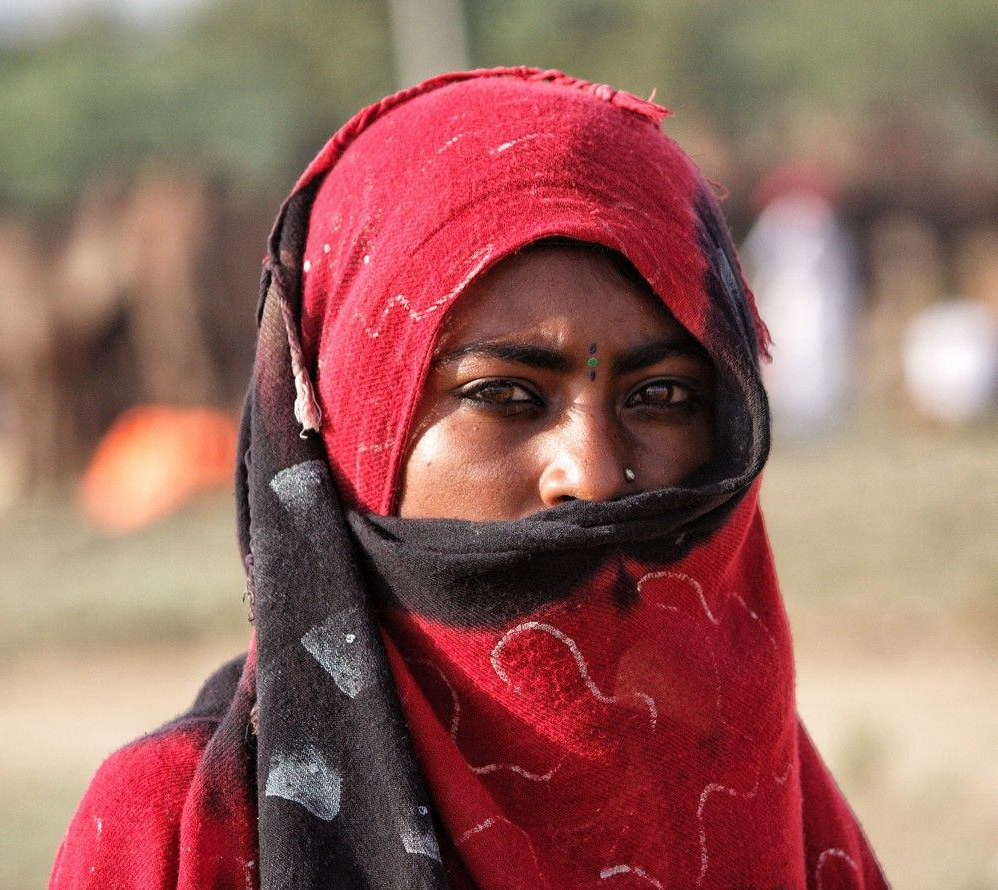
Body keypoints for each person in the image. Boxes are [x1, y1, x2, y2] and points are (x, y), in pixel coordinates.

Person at [50, 68, 887, 889]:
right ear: (353, 427)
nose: (590, 475)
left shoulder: (779, 806)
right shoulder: (183, 833)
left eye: (661, 395)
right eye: (504, 396)